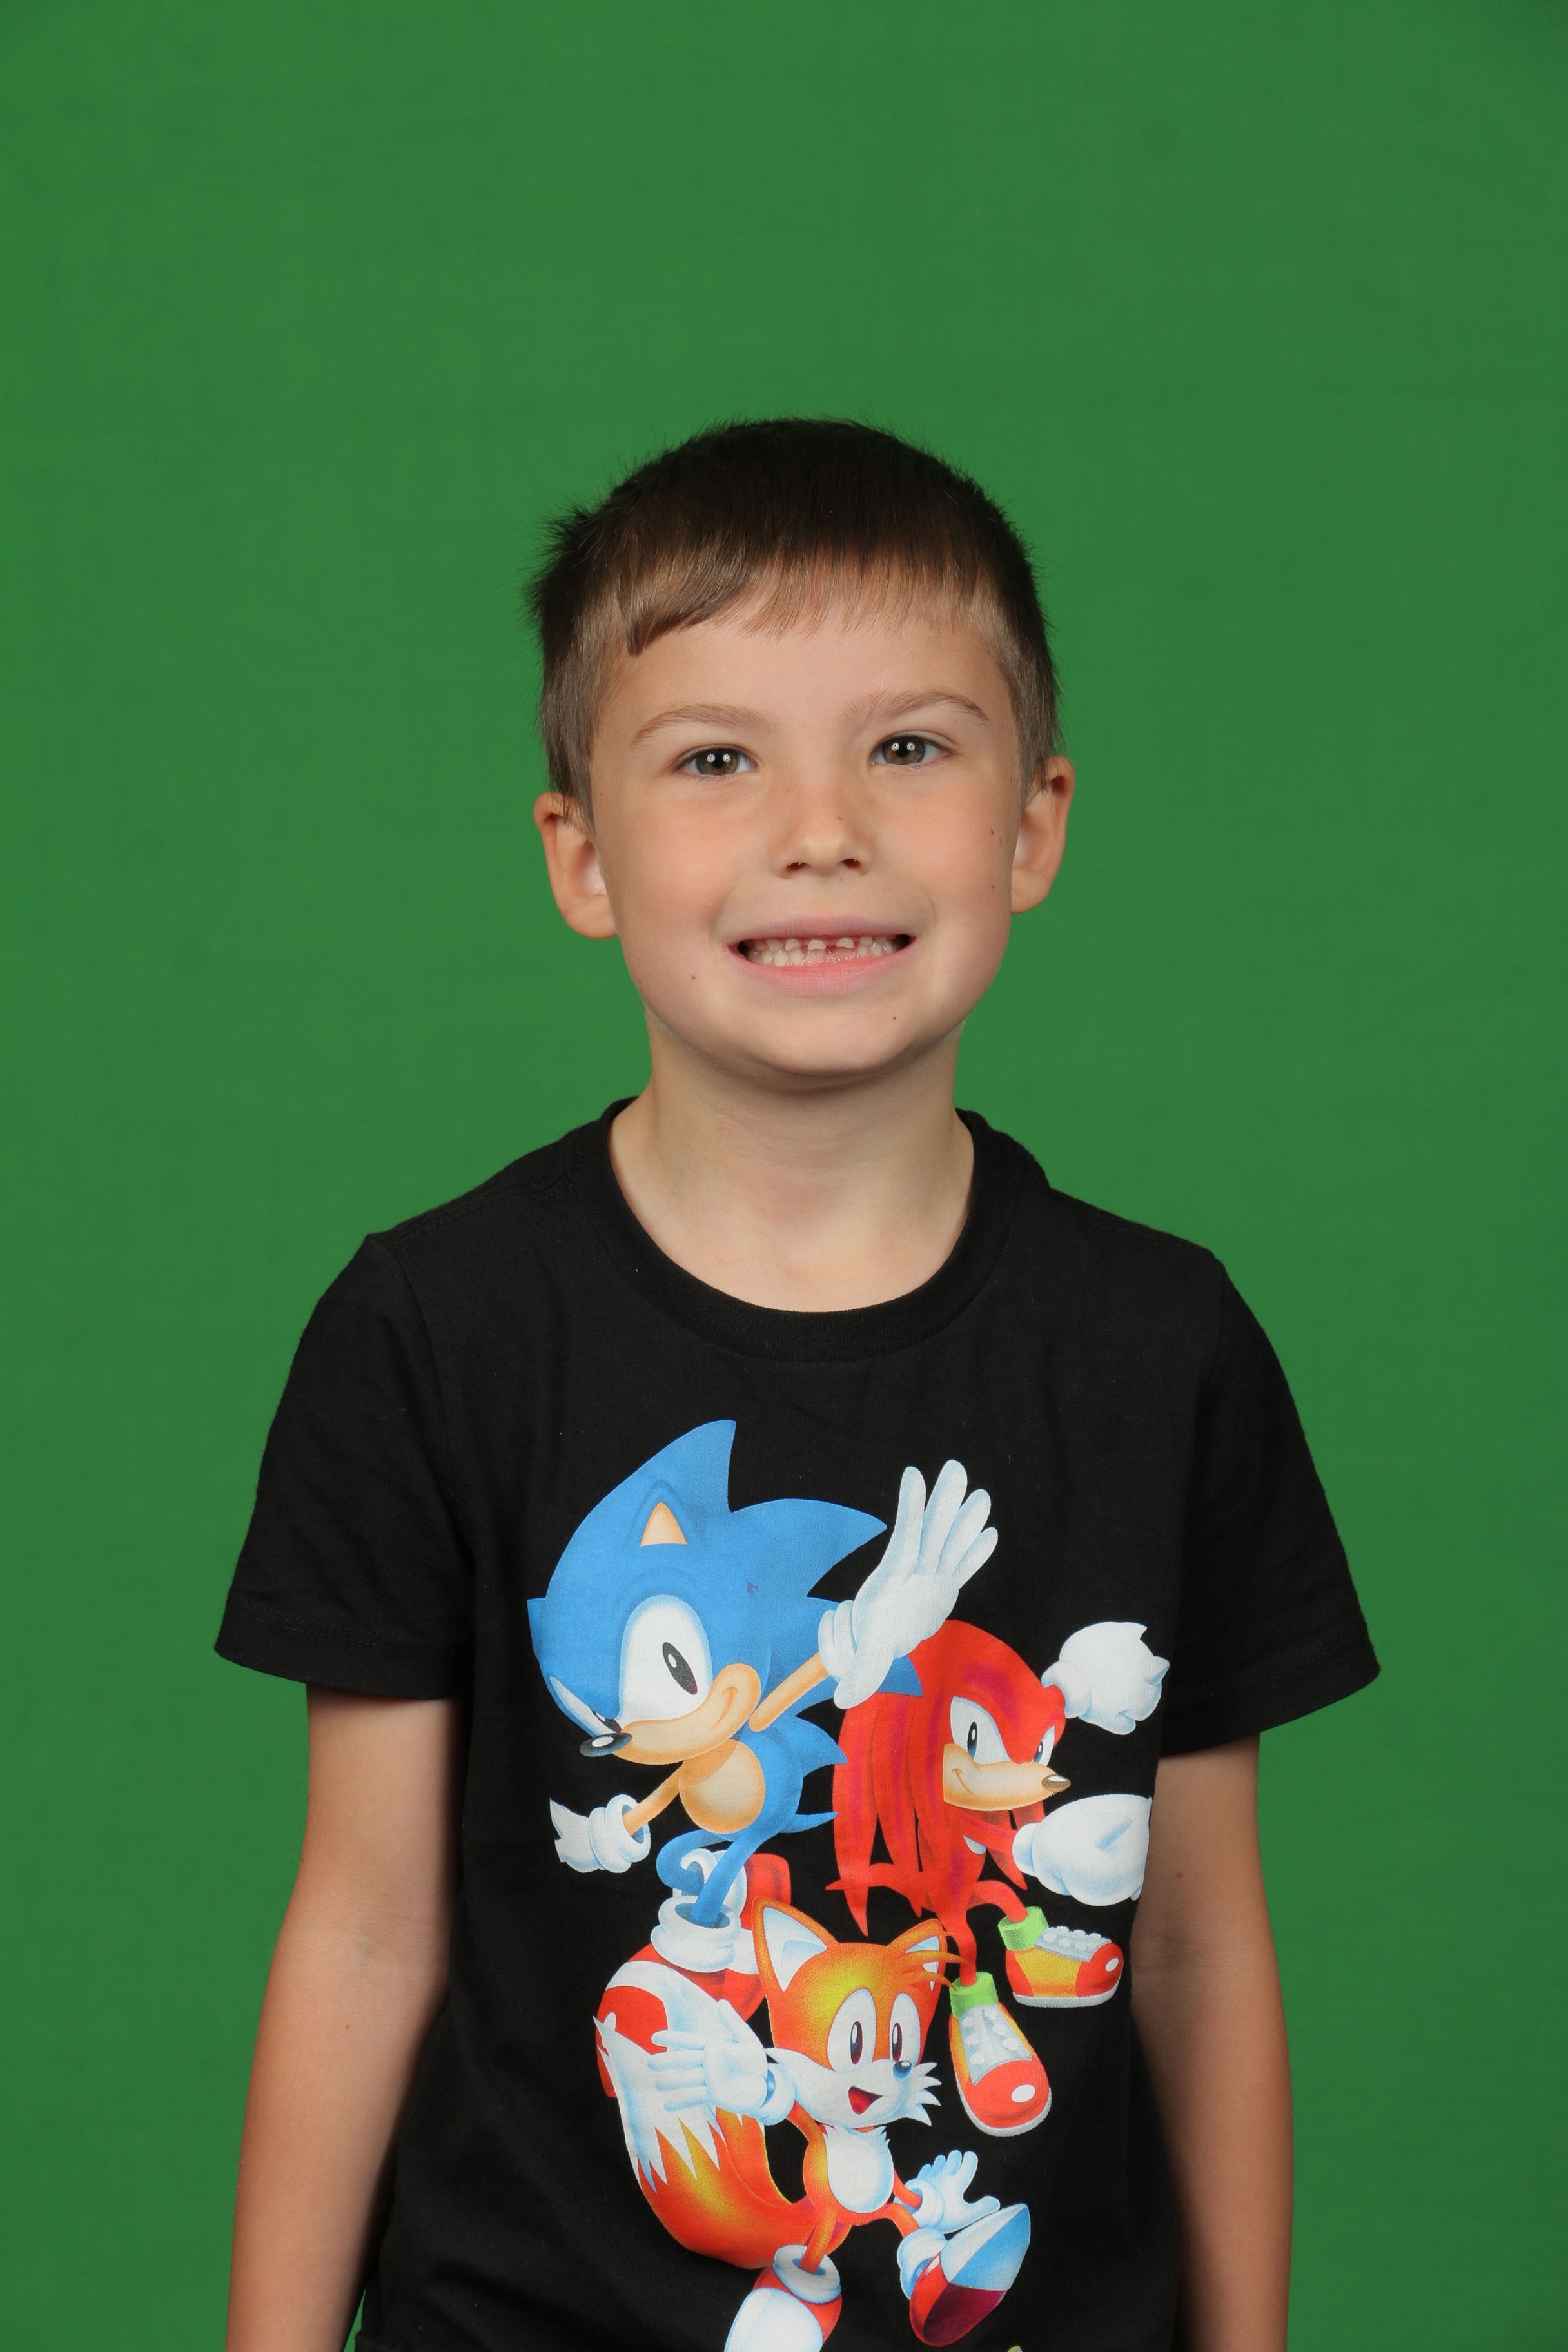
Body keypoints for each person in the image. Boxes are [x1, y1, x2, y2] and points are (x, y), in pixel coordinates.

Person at [217, 418, 1378, 2352]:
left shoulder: (1164, 1346)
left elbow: (1191, 1938)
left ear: (1037, 824)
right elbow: (363, 1928)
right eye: (716, 760)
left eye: (908, 748)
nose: (820, 827)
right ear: (580, 854)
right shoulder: (434, 1328)